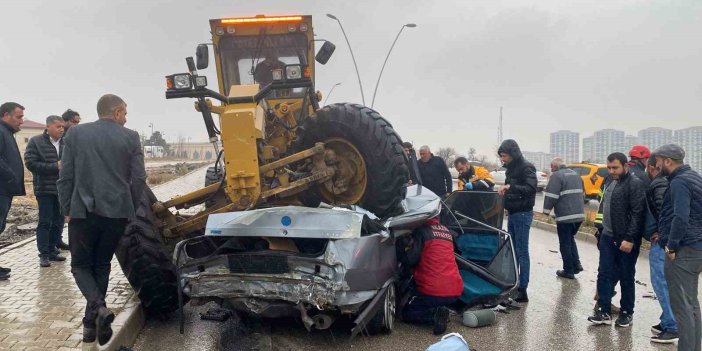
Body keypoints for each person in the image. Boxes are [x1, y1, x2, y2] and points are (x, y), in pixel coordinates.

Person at [57, 94, 145, 345]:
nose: (126, 119)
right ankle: (90, 326)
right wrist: (131, 206)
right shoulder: (131, 137)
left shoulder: (75, 134)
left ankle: (98, 308)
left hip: (82, 211)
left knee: (81, 266)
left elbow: (66, 176)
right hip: (117, 212)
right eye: (125, 113)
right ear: (116, 112)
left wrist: (66, 207)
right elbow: (138, 178)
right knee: (102, 264)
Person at [588, 152, 646, 328]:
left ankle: (627, 313)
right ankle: (603, 311)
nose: (612, 171)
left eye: (615, 167)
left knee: (626, 276)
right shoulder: (609, 181)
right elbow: (602, 206)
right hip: (607, 236)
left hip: (625, 240)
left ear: (625, 166)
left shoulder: (634, 184)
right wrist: (600, 231)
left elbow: (638, 214)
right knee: (604, 274)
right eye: (609, 167)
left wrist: (629, 238)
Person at [653, 144, 702, 351]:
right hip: (696, 247)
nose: (655, 165)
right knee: (691, 304)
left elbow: (680, 217)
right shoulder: (694, 177)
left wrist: (671, 246)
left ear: (667, 161)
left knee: (682, 307)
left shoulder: (679, 182)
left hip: (684, 250)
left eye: (657, 161)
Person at [396, 216, 463, 335]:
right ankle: (441, 310)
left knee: (405, 314)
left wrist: (400, 249)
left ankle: (434, 315)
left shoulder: (421, 231)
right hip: (455, 291)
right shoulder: (446, 231)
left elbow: (410, 259)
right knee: (433, 298)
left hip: (433, 291)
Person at [644, 154, 678, 344]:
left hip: (662, 242)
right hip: (669, 239)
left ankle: (672, 325)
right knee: (666, 282)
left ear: (651, 167)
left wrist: (661, 233)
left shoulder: (658, 183)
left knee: (661, 282)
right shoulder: (670, 182)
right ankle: (667, 320)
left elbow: (664, 211)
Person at [24, 115, 66, 267]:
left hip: (62, 190)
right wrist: (55, 166)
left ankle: (53, 250)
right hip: (45, 189)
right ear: (48, 127)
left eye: (62, 126)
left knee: (58, 222)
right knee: (45, 221)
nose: (61, 129)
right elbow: (30, 163)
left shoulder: (66, 143)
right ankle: (44, 254)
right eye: (58, 126)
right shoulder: (36, 142)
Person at [497, 139, 536, 302]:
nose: (502, 159)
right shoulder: (511, 169)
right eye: (501, 156)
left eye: (504, 155)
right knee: (513, 250)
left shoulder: (526, 167)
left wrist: (510, 187)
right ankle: (514, 283)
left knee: (521, 251)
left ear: (512, 153)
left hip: (522, 213)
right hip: (513, 213)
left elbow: (530, 188)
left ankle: (523, 288)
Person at [542, 157, 585, 279]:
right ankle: (576, 265)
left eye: (551, 167)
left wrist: (546, 211)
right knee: (570, 239)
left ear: (555, 166)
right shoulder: (576, 174)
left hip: (566, 215)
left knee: (565, 243)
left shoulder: (557, 176)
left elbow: (551, 195)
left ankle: (568, 270)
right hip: (579, 215)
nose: (551, 169)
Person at [0, 102, 26, 280]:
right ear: (5, 115)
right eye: (19, 117)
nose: (21, 121)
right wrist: (10, 176)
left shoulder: (6, 132)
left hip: (5, 189)